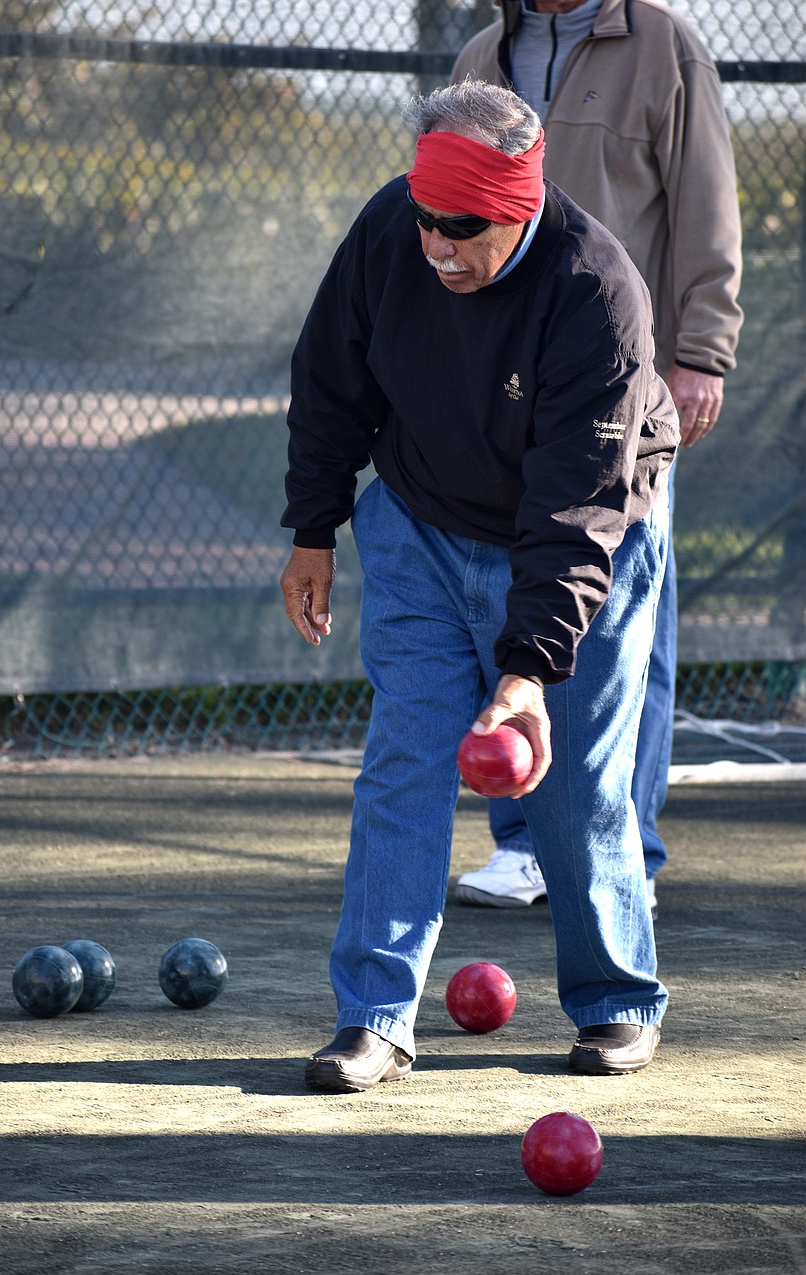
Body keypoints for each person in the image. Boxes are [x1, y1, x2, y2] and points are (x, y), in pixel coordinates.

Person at [280, 78, 679, 1092]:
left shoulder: (594, 290)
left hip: (579, 540)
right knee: (404, 760)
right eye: (426, 220)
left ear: (517, 210)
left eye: (461, 229)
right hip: (419, 521)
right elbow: (332, 376)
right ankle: (373, 1018)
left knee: (577, 782)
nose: (435, 247)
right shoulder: (392, 231)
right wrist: (315, 528)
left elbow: (574, 506)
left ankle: (616, 1004)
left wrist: (527, 669)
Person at [450, 0, 743, 918]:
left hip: (625, 385)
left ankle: (626, 850)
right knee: (506, 596)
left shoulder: (665, 46)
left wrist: (701, 352)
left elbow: (706, 206)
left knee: (626, 614)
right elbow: (446, 219)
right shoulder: (479, 53)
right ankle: (526, 844)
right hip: (500, 386)